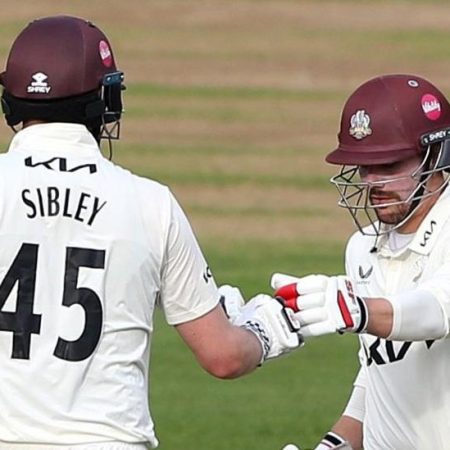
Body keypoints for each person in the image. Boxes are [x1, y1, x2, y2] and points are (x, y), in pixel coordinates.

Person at [0, 16, 303, 449]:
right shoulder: (148, 203)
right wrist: (268, 328)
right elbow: (224, 356)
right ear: (105, 100)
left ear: (10, 101)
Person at [273, 74, 450, 450]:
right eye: (363, 167)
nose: (372, 182)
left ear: (436, 157)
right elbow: (379, 373)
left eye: (388, 165)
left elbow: (435, 311)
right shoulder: (361, 248)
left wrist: (360, 311)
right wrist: (334, 445)